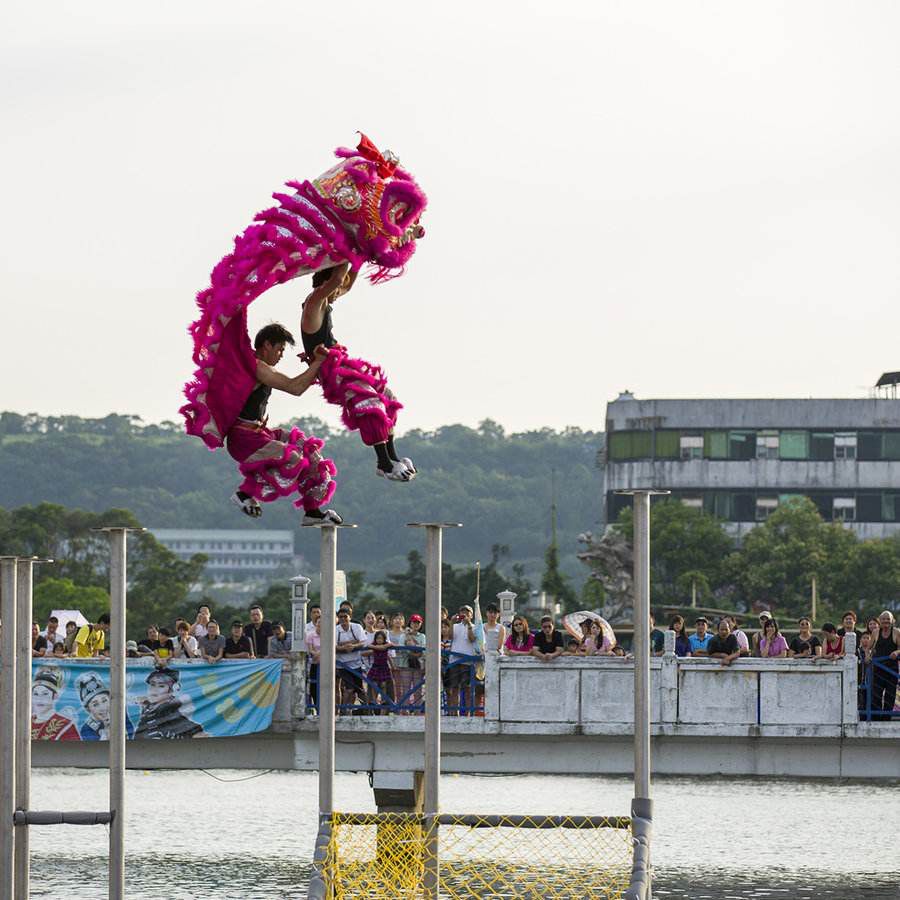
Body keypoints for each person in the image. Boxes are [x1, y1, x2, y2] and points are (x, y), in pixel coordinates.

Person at [300, 264, 415, 482]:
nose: (338, 294)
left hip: (341, 362)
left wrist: (359, 255)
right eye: (334, 290)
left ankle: (391, 456)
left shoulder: (325, 300)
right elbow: (336, 282)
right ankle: (383, 461)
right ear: (325, 284)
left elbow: (346, 285)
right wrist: (345, 255)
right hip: (329, 369)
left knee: (387, 396)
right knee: (368, 400)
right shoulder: (313, 303)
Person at [220, 324, 342, 525]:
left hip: (260, 433)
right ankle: (245, 494)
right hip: (244, 439)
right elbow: (295, 387)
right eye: (280, 350)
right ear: (266, 345)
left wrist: (314, 364)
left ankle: (312, 512)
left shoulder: (261, 367)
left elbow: (298, 383)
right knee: (292, 458)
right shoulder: (257, 366)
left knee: (309, 452)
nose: (281, 355)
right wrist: (317, 362)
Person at [134, 668, 203, 739]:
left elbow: (196, 732)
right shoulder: (149, 708)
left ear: (173, 690)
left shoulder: (168, 711)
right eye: (152, 684)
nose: (154, 689)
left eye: (161, 686)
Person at [76, 671, 135, 741]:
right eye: (95, 704)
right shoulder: (87, 729)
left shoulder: (121, 714)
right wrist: (107, 729)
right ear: (88, 710)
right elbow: (96, 749)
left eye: (104, 701)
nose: (103, 708)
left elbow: (130, 737)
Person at [444, 606, 480, 715]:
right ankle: (455, 713)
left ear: (471, 615)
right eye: (462, 612)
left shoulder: (475, 627)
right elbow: (449, 636)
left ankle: (468, 714)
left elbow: (472, 639)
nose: (465, 614)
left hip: (468, 661)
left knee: (468, 689)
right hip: (454, 661)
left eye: (467, 612)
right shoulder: (455, 626)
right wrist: (451, 623)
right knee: (454, 688)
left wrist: (468, 625)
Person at [30, 667, 79, 741]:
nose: (40, 699)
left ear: (55, 696)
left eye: (45, 694)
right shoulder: (27, 721)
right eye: (36, 694)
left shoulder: (66, 725)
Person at [870, 610, 900, 720]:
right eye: (883, 619)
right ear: (880, 621)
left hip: (892, 669)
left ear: (892, 621)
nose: (886, 621)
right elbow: (869, 648)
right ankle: (876, 718)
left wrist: (896, 652)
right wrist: (869, 656)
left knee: (890, 695)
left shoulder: (896, 632)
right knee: (876, 695)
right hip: (878, 669)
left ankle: (886, 719)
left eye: (888, 619)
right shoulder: (875, 632)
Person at [335, 608, 367, 710]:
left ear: (350, 617)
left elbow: (363, 642)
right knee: (349, 689)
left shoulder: (357, 627)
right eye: (340, 617)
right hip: (342, 665)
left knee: (360, 689)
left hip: (356, 663)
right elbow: (333, 647)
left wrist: (353, 647)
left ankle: (367, 710)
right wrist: (345, 647)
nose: (343, 619)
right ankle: (343, 710)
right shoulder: (335, 630)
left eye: (345, 616)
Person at [361, 631, 394, 714]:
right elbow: (364, 652)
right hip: (376, 667)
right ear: (375, 639)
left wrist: (393, 666)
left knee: (384, 684)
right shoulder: (373, 646)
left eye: (381, 638)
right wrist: (374, 648)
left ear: (384, 639)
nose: (379, 640)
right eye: (378, 638)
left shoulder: (385, 645)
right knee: (374, 684)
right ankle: (374, 702)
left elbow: (388, 655)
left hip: (384, 667)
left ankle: (383, 702)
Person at [404, 614, 426, 710]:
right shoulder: (404, 635)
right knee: (405, 688)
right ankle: (404, 709)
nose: (416, 624)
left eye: (418, 622)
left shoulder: (422, 636)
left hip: (418, 665)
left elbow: (423, 651)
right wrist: (416, 652)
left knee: (418, 689)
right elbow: (403, 650)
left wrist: (415, 652)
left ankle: (417, 709)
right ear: (410, 623)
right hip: (405, 664)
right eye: (414, 622)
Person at [306, 618, 322, 714]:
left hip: (326, 663)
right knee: (313, 687)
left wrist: (319, 653)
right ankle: (316, 708)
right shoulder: (311, 635)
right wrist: (316, 654)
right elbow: (310, 650)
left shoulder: (329, 634)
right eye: (319, 624)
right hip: (314, 663)